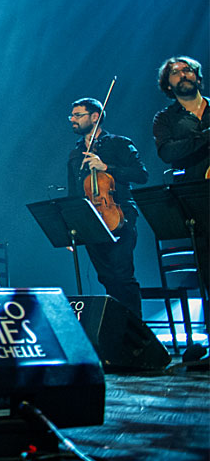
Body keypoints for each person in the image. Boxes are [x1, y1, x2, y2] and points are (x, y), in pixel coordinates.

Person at [67, 98, 147, 316]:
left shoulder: (119, 143)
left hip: (120, 216)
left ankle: (135, 328)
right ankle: (117, 325)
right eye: (72, 115)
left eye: (78, 115)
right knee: (106, 277)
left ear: (95, 117)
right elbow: (73, 193)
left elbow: (141, 175)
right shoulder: (75, 153)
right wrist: (72, 227)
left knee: (122, 275)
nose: (72, 119)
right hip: (91, 222)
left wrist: (106, 167)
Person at [152, 57, 209, 180]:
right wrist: (205, 136)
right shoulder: (164, 118)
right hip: (191, 187)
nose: (183, 75)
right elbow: (167, 153)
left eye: (187, 70)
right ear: (168, 85)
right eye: (175, 72)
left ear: (198, 79)